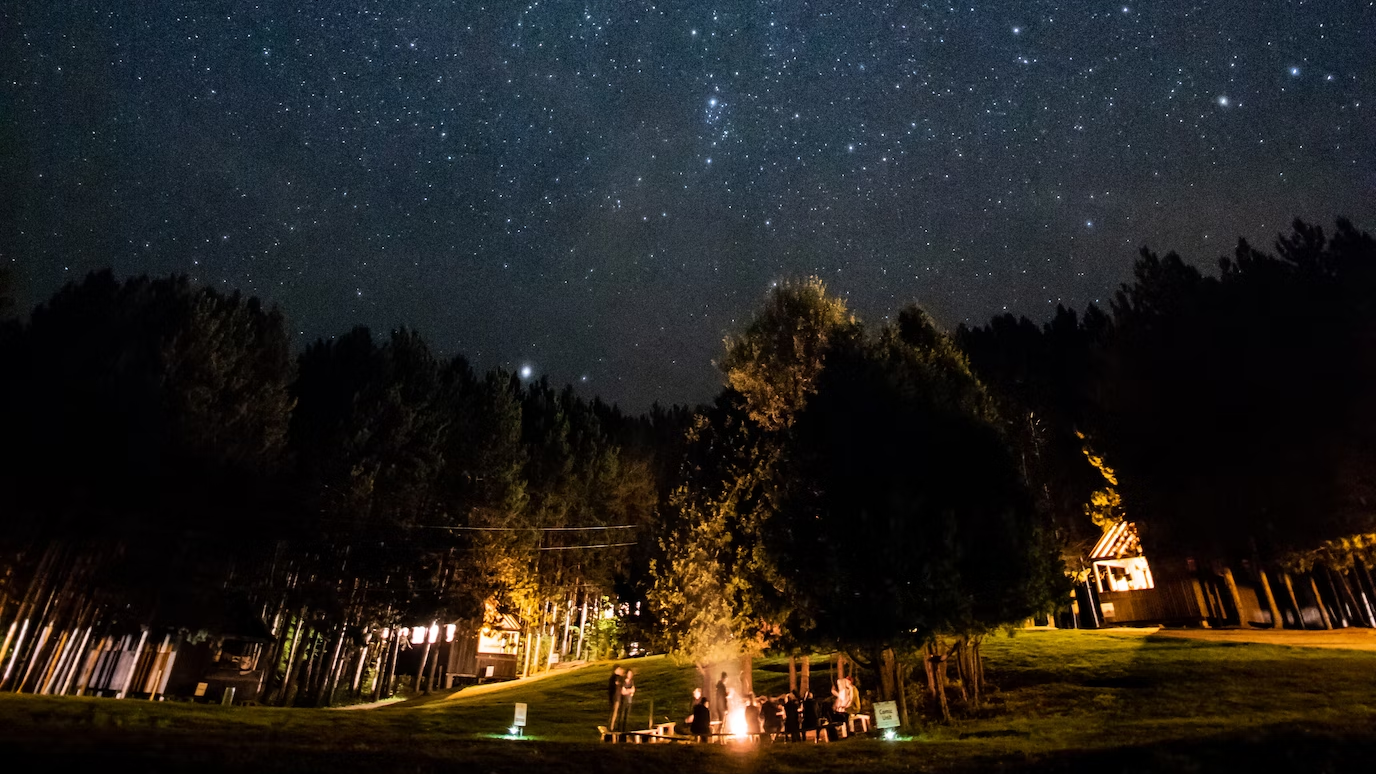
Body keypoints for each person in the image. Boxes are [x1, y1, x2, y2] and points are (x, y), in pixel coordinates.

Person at [607, 666, 624, 730]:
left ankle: (612, 726)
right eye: (619, 669)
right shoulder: (615, 677)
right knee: (614, 712)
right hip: (616, 697)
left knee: (614, 712)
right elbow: (618, 685)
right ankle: (611, 727)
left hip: (615, 697)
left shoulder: (613, 678)